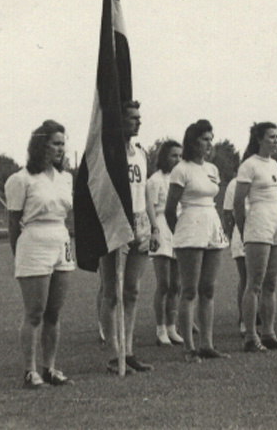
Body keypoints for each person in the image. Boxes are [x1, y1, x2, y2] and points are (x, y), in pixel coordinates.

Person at [5, 120, 75, 388]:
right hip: (34, 242)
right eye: (55, 143)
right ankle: (29, 370)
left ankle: (50, 368)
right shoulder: (21, 179)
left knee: (54, 313)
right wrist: (19, 254)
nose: (60, 148)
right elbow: (13, 222)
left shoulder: (66, 178)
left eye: (62, 144)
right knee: (35, 312)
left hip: (61, 240)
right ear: (41, 145)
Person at [97, 100, 159, 374]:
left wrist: (154, 227)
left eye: (139, 117)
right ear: (119, 120)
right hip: (115, 223)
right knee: (112, 291)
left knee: (132, 290)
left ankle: (128, 350)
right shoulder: (107, 152)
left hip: (140, 221)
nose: (138, 121)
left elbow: (144, 191)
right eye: (132, 117)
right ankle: (114, 354)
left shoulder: (140, 153)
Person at [165, 119, 230, 362]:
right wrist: (182, 233)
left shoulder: (212, 169)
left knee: (208, 289)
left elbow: (213, 198)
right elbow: (170, 209)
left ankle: (207, 344)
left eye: (211, 139)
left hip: (211, 225)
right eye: (204, 139)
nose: (209, 144)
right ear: (193, 142)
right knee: (189, 290)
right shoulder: (181, 169)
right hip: (190, 227)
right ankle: (189, 348)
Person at [235, 122, 277, 352]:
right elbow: (238, 202)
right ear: (259, 139)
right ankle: (250, 336)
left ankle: (269, 333)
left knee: (271, 284)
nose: (276, 141)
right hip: (258, 223)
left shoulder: (274, 163)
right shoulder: (249, 165)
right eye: (271, 137)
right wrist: (245, 229)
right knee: (254, 283)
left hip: (276, 224)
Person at [146, 139, 185, 346]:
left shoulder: (180, 178)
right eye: (173, 155)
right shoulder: (154, 180)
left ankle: (172, 327)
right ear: (164, 157)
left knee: (176, 284)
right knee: (164, 283)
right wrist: (154, 229)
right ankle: (160, 329)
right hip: (162, 227)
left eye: (180, 156)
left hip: (178, 227)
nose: (177, 159)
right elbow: (150, 208)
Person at [222, 172, 249, 336]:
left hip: (262, 230)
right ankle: (244, 319)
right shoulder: (234, 184)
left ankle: (255, 315)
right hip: (242, 233)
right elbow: (227, 212)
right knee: (245, 279)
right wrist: (232, 235)